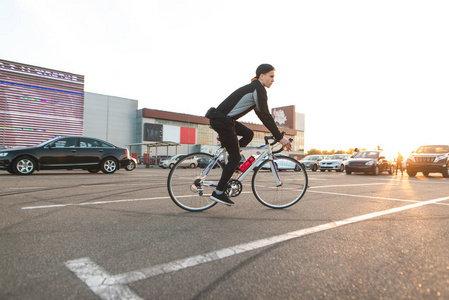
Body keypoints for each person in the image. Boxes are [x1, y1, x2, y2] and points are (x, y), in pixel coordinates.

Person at [205, 64, 292, 205]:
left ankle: (232, 160)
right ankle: (219, 192)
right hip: (223, 121)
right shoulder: (258, 89)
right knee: (235, 157)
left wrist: (276, 134)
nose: (273, 80)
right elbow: (265, 115)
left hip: (224, 120)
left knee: (249, 134)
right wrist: (279, 137)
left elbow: (261, 115)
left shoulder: (255, 89)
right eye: (271, 76)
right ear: (261, 76)